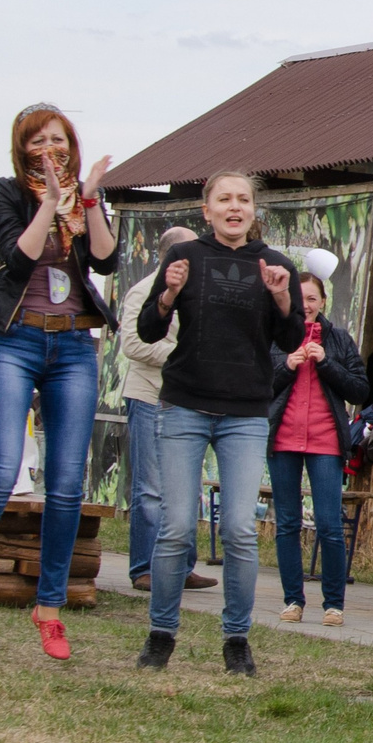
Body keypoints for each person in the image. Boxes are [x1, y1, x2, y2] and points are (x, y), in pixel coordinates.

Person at [0, 105, 122, 663]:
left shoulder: (85, 197)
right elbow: (15, 260)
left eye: (60, 138)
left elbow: (106, 259)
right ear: (23, 149)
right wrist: (48, 202)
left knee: (68, 483)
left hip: (72, 343)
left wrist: (87, 198)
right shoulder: (7, 193)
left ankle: (49, 610)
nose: (52, 148)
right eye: (40, 141)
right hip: (15, 339)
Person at [135, 170, 308, 676]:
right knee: (176, 528)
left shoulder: (275, 265)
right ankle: (161, 635)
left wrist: (280, 297)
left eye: (244, 199)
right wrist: (167, 295)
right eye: (224, 199)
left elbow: (294, 336)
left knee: (237, 528)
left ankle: (237, 640)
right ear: (206, 209)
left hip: (246, 413)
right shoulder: (185, 257)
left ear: (255, 210)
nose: (235, 207)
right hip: (185, 405)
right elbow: (149, 328)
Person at [118, 226, 215, 594]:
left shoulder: (197, 292)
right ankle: (144, 567)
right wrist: (183, 358)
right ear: (171, 257)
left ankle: (182, 567)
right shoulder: (144, 291)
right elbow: (132, 344)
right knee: (152, 486)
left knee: (187, 486)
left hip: (188, 400)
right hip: (149, 397)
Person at [268, 270, 369, 626]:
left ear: (323, 301)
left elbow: (360, 391)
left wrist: (326, 363)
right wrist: (287, 365)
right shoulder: (276, 336)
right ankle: (293, 601)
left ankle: (333, 604)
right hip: (283, 439)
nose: (306, 305)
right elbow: (258, 387)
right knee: (288, 523)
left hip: (326, 440)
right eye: (300, 299)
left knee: (328, 523)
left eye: (312, 298)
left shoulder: (339, 339)